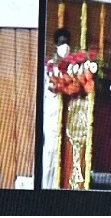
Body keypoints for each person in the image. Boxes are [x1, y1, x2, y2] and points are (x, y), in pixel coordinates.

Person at [43, 27, 71, 188]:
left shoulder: (73, 67)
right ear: (55, 45)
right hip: (52, 114)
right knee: (50, 152)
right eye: (61, 43)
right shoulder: (50, 66)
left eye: (66, 43)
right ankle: (46, 187)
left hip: (67, 116)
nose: (64, 46)